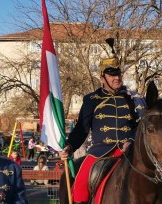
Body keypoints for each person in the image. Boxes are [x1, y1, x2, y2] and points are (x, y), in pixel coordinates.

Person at [59, 39, 146, 204]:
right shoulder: (91, 99)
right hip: (100, 153)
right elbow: (81, 129)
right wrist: (70, 146)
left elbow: (141, 126)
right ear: (102, 77)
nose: (116, 78)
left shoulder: (132, 98)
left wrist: (132, 141)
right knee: (80, 187)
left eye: (118, 73)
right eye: (111, 74)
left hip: (129, 152)